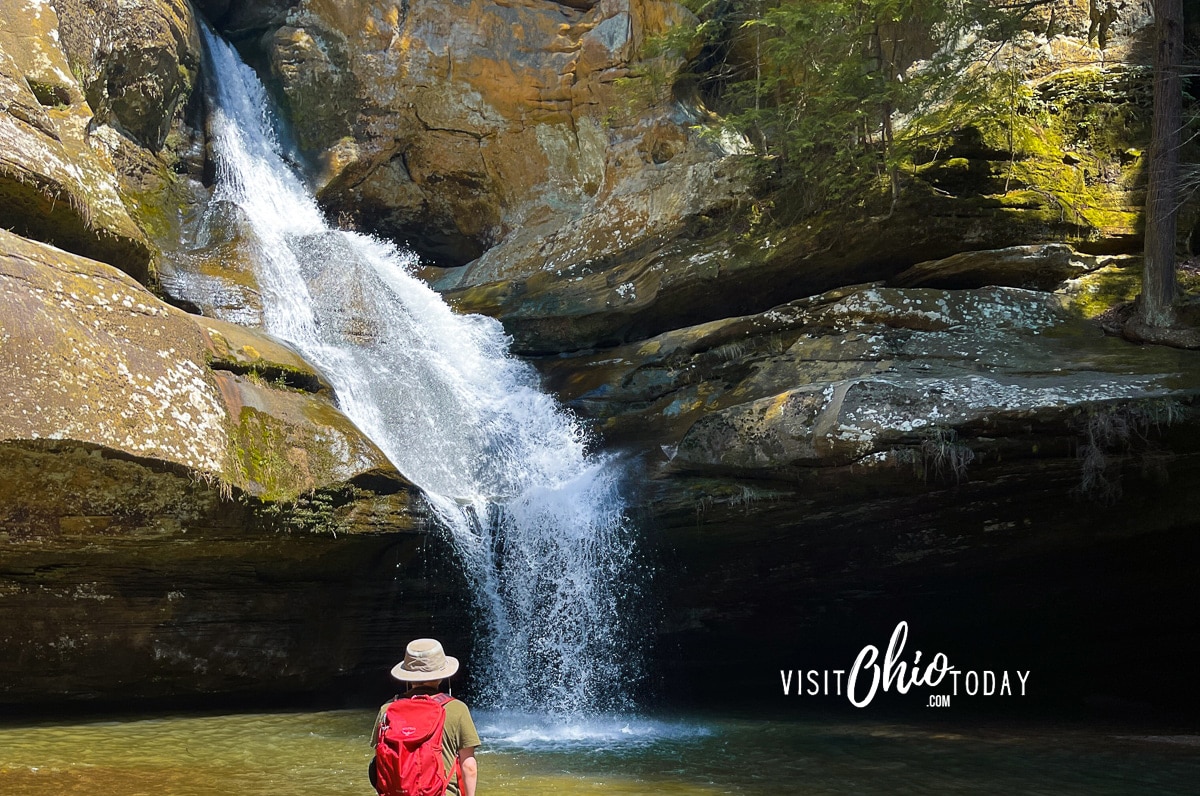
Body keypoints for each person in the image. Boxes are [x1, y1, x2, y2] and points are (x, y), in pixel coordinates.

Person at [370, 638, 480, 796]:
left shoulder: (387, 709)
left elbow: (380, 761)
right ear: (442, 674)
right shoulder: (457, 709)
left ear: (408, 675)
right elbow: (469, 766)